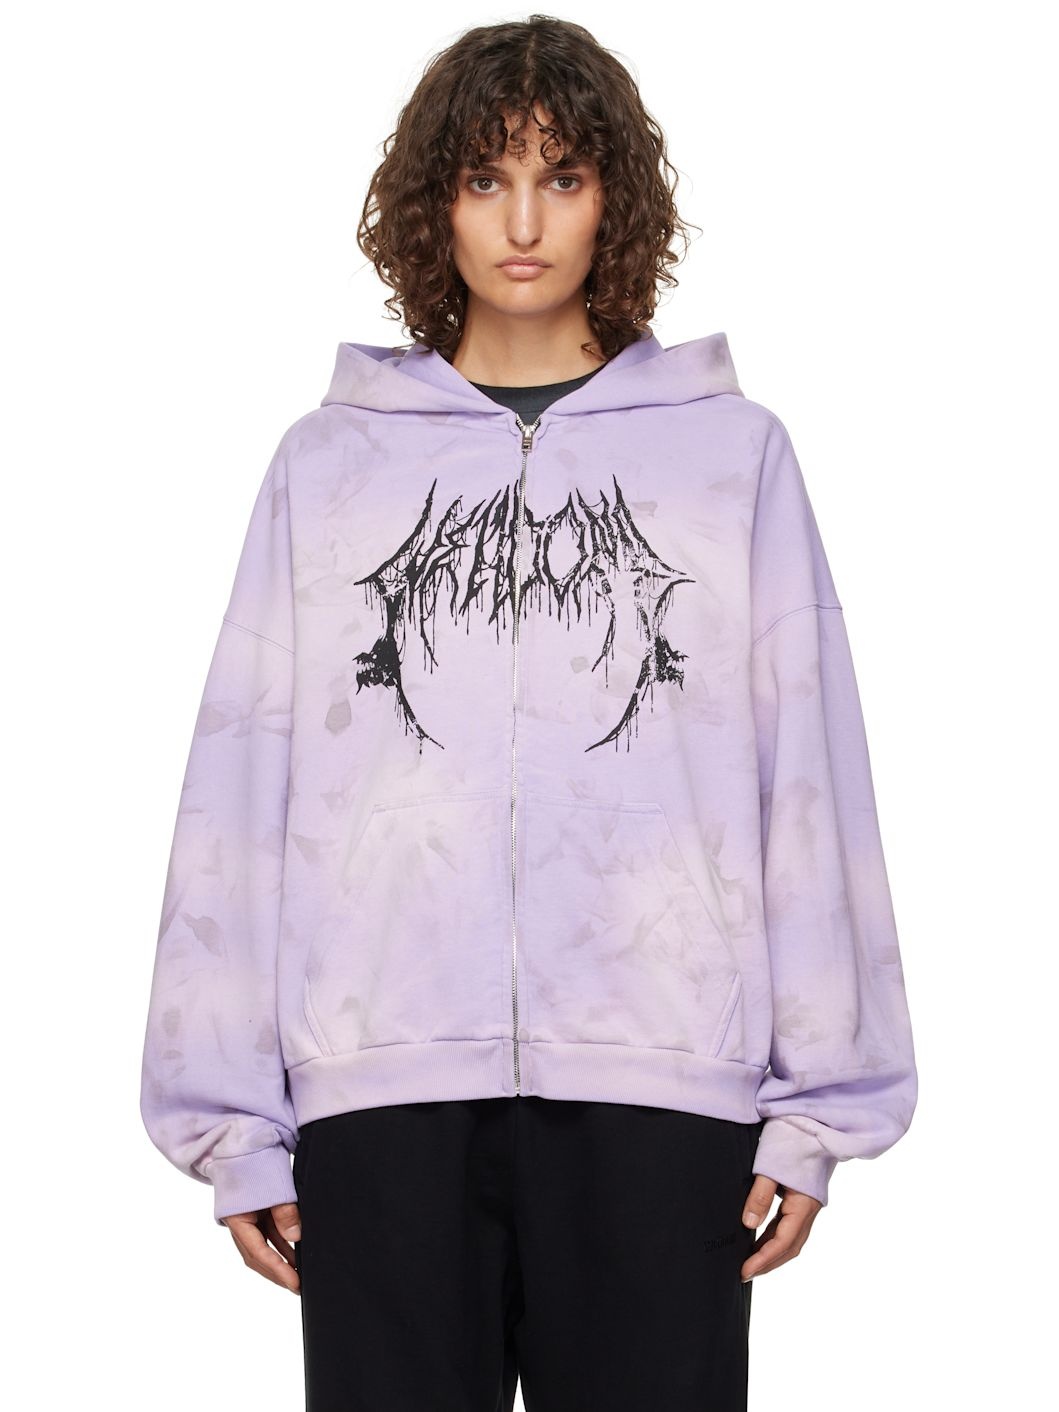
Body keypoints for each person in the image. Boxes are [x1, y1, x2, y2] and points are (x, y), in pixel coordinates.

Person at [139, 14, 918, 1410]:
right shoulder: (330, 466)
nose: (521, 223)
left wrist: (818, 1106)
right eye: (484, 179)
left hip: (664, 1092)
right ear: (431, 202)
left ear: (617, 200)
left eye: (563, 178)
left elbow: (808, 776)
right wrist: (231, 1121)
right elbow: (240, 791)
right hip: (378, 1093)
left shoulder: (730, 457)